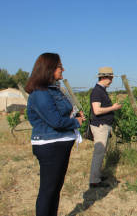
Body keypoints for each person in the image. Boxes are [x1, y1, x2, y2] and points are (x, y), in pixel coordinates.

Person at [25, 53, 85, 216]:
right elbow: (56, 121)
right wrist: (76, 123)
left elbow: (62, 115)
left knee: (55, 189)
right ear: (49, 68)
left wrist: (76, 117)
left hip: (59, 146)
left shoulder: (54, 90)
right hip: (50, 148)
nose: (63, 69)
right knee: (48, 190)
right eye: (60, 66)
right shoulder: (40, 93)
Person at [88, 66, 121, 188]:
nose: (112, 80)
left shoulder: (101, 90)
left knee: (101, 153)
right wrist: (113, 108)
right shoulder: (97, 91)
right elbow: (96, 111)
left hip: (103, 125)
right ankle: (94, 180)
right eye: (111, 78)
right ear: (105, 77)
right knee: (99, 153)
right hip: (100, 126)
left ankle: (97, 175)